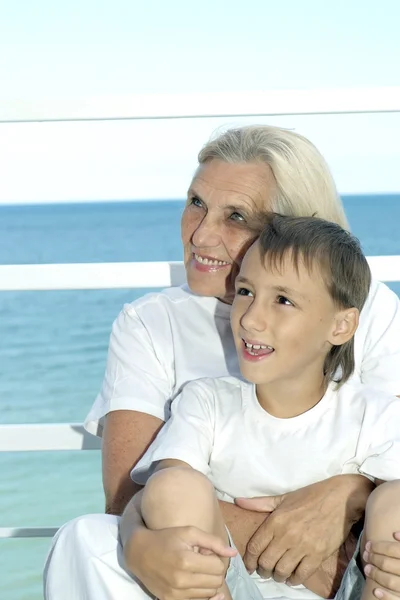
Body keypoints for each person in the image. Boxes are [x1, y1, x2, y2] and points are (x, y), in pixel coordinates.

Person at [43, 126, 400, 600]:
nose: (201, 234)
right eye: (195, 203)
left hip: (355, 562)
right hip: (213, 568)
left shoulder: (366, 307)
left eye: (236, 216)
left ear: (295, 226)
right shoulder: (151, 323)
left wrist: (348, 496)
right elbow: (129, 496)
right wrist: (292, 556)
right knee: (83, 541)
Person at [129, 214, 400, 600]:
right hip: (226, 586)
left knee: (396, 499)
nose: (252, 319)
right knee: (171, 484)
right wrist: (138, 534)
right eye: (245, 291)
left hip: (353, 588)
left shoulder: (375, 415)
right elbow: (154, 499)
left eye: (283, 300)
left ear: (341, 326)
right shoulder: (206, 402)